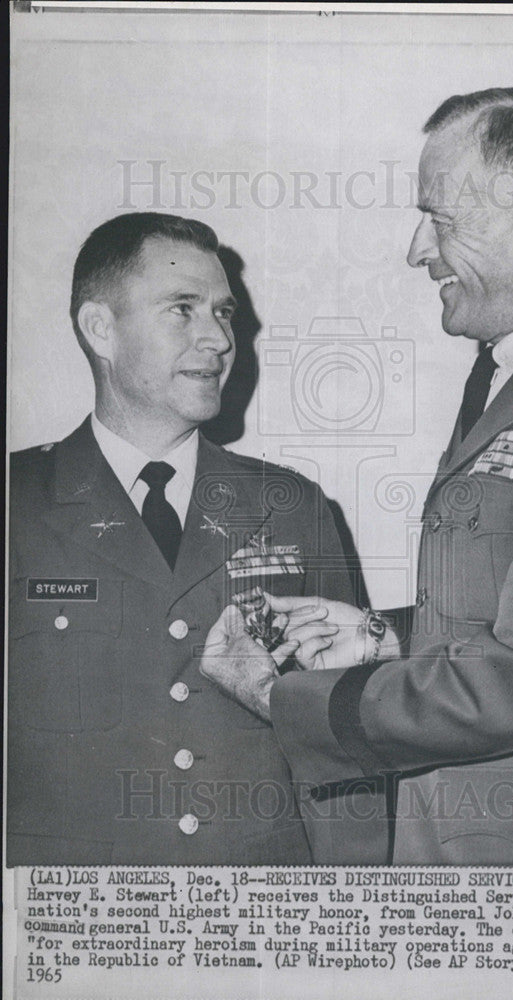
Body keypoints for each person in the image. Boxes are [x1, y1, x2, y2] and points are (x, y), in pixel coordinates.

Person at [201, 88, 513, 866]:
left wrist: (275, 694)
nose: (417, 249)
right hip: (471, 850)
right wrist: (376, 635)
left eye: (442, 221)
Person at [7, 212, 355, 866]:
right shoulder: (17, 503)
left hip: (258, 908)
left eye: (222, 313)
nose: (219, 339)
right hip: (79, 919)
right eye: (182, 310)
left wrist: (350, 894)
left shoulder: (290, 506)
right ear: (100, 329)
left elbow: (344, 730)